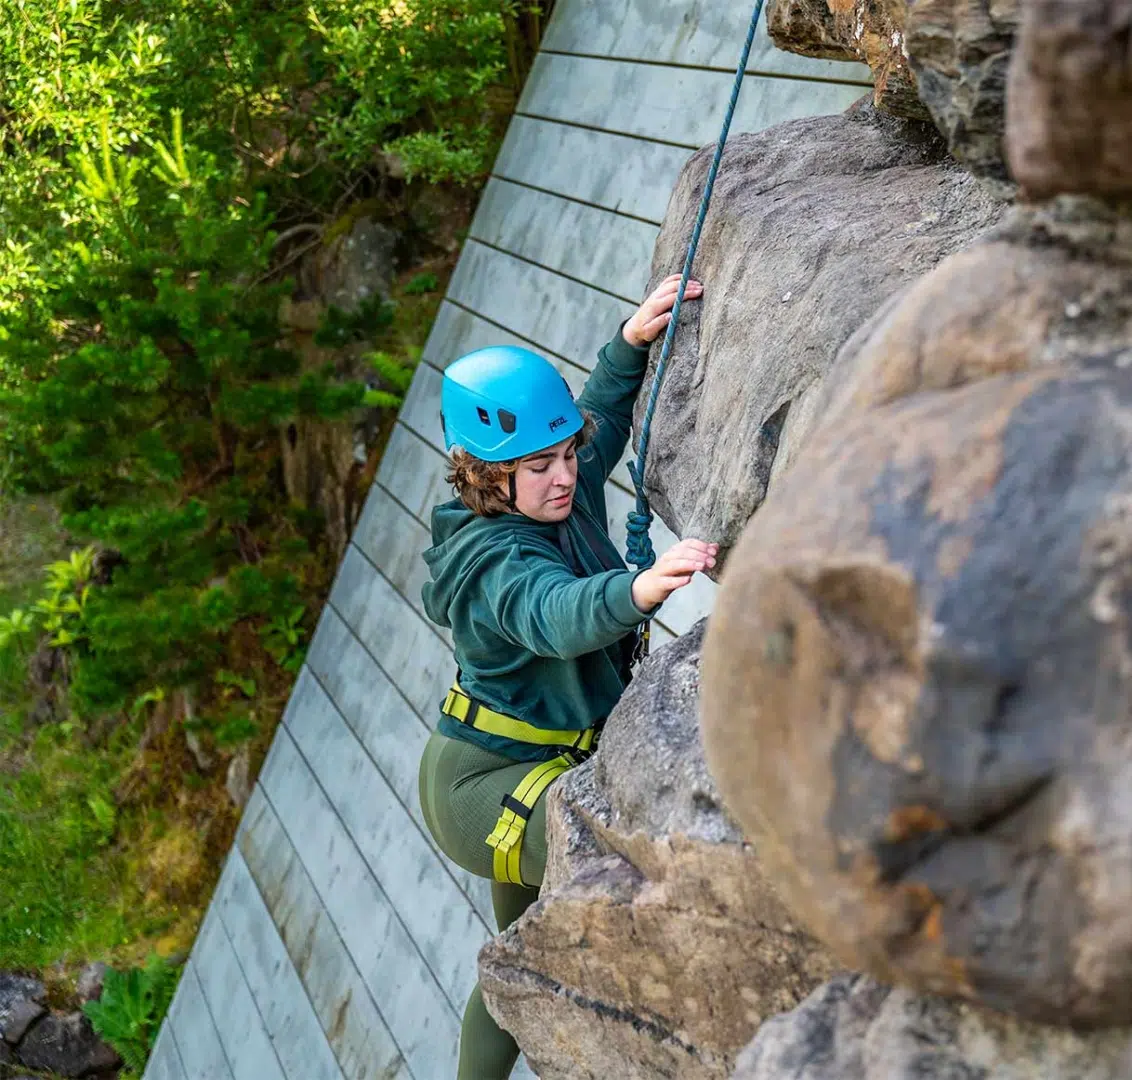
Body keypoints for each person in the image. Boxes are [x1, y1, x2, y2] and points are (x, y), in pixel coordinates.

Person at [417, 274, 717, 1079]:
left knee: (524, 953)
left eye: (568, 454)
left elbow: (604, 420)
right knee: (616, 877)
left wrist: (629, 345)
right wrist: (637, 591)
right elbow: (552, 611)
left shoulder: (551, 491)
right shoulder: (488, 563)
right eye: (541, 463)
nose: (565, 476)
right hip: (483, 785)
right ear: (488, 477)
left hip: (544, 761)